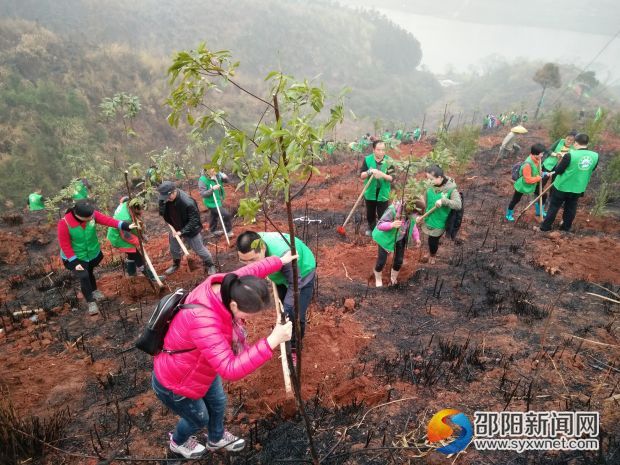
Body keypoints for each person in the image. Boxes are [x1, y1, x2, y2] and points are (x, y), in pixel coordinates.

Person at [151, 254, 295, 459]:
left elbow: (249, 272)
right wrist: (272, 340)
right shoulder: (205, 320)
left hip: (202, 368)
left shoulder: (227, 285)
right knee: (198, 418)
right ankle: (178, 442)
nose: (248, 320)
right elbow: (230, 368)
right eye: (248, 315)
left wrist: (279, 261)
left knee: (218, 402)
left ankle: (215, 438)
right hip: (177, 381)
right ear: (234, 305)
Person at [236, 231, 315, 361]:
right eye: (244, 261)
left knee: (295, 313)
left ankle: (295, 347)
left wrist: (288, 312)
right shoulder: (253, 241)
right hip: (280, 275)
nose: (250, 266)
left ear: (262, 248)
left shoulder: (282, 253)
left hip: (303, 272)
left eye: (253, 260)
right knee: (285, 305)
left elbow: (294, 283)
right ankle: (287, 329)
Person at [57, 199, 137, 315]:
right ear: (78, 215)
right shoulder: (64, 223)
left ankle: (94, 290)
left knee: (89, 271)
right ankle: (91, 302)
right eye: (89, 217)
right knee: (84, 276)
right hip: (75, 256)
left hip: (91, 253)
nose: (92, 218)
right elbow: (65, 245)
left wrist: (126, 225)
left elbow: (107, 220)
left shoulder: (91, 215)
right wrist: (74, 262)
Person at [537, 133, 598, 232]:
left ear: (576, 143)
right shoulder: (595, 156)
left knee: (554, 206)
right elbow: (592, 169)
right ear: (587, 143)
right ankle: (566, 228)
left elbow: (559, 171)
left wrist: (556, 168)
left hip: (562, 186)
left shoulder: (570, 155)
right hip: (578, 187)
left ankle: (545, 227)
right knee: (571, 208)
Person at [157, 181, 217, 276]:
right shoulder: (165, 198)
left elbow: (194, 221)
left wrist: (182, 231)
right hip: (175, 227)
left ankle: (210, 265)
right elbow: (162, 211)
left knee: (199, 249)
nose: (166, 200)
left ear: (173, 192)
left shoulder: (188, 202)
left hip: (191, 229)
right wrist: (162, 208)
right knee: (174, 248)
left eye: (168, 197)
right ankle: (176, 264)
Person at [107, 197, 161, 281]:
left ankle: (131, 274)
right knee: (136, 255)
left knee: (131, 253)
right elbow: (126, 236)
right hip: (118, 237)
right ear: (134, 208)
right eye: (140, 210)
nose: (142, 212)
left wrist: (142, 235)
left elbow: (123, 199)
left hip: (123, 232)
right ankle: (151, 277)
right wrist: (138, 241)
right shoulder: (125, 218)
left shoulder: (129, 203)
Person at [372, 198, 422, 287]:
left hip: (400, 238)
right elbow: (380, 225)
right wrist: (391, 225)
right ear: (410, 210)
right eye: (416, 214)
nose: (416, 216)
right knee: (381, 262)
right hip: (386, 239)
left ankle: (393, 278)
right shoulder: (393, 210)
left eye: (418, 214)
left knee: (399, 261)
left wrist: (417, 238)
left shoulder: (411, 215)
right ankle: (378, 278)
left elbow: (412, 226)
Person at [417, 165, 462, 264]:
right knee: (428, 237)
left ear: (440, 178)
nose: (429, 181)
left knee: (433, 239)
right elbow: (424, 198)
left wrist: (444, 201)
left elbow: (458, 205)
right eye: (427, 178)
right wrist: (419, 212)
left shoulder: (451, 189)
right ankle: (430, 251)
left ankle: (432, 255)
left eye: (431, 179)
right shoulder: (429, 185)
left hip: (440, 219)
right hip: (428, 216)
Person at [505, 144, 551, 221]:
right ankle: (509, 214)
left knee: (543, 195)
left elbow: (537, 172)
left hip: (534, 183)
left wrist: (544, 173)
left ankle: (539, 212)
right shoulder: (528, 164)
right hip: (523, 185)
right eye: (541, 153)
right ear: (536, 153)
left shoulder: (538, 160)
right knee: (516, 199)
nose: (542, 155)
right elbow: (528, 180)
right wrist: (540, 177)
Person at [359, 140, 395, 235]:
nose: (381, 152)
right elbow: (362, 175)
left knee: (383, 213)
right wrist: (370, 172)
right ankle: (371, 228)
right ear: (373, 150)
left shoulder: (389, 161)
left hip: (383, 192)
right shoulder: (367, 160)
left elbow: (391, 178)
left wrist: (382, 174)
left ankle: (381, 231)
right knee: (370, 213)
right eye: (378, 150)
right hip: (370, 191)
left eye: (383, 150)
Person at [542, 130, 577, 204]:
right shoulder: (560, 141)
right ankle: (538, 196)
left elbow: (572, 159)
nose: (569, 141)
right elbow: (548, 150)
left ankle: (550, 199)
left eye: (572, 140)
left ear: (574, 141)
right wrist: (555, 154)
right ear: (565, 137)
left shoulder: (574, 148)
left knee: (554, 183)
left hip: (560, 168)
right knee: (543, 180)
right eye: (568, 139)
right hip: (549, 165)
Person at [199, 168, 233, 238]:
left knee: (214, 215)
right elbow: (203, 194)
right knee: (226, 214)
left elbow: (227, 181)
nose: (216, 172)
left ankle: (213, 230)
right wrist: (212, 189)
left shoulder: (218, 175)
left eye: (216, 170)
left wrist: (225, 177)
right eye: (213, 170)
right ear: (207, 170)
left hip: (218, 200)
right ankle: (228, 231)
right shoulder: (202, 180)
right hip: (211, 202)